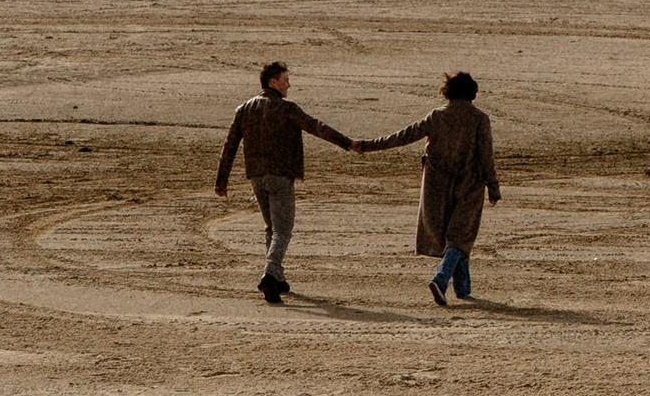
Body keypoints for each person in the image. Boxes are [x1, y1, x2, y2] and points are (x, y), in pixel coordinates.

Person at [213, 58, 361, 305]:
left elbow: (229, 146)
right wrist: (348, 143)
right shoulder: (286, 109)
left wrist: (221, 181)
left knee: (272, 227)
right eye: (285, 80)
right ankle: (270, 274)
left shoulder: (244, 109)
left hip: (256, 176)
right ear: (273, 82)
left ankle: (278, 279)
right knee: (283, 229)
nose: (289, 85)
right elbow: (317, 127)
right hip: (280, 175)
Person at [368, 71, 501, 305]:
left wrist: (367, 146)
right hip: (469, 184)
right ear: (472, 92)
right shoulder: (479, 118)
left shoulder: (436, 116)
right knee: (462, 236)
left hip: (437, 186)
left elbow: (403, 136)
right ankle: (440, 279)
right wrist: (493, 187)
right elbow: (486, 156)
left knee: (454, 236)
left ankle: (462, 289)